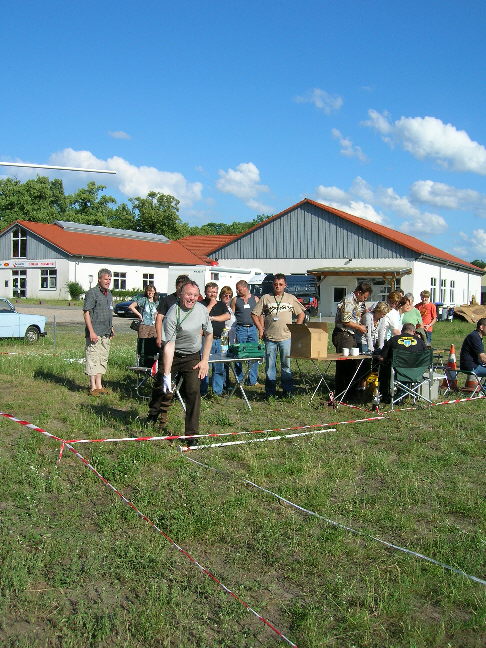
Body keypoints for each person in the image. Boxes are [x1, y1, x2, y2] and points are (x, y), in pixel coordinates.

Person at [148, 281, 213, 445]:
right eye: (188, 294)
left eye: (195, 295)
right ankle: (153, 413)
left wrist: (205, 360)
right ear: (181, 295)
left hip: (192, 356)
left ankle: (191, 435)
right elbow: (169, 345)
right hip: (173, 353)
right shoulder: (172, 314)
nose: (191, 298)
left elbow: (209, 334)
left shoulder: (202, 310)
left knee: (193, 392)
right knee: (161, 386)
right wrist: (167, 375)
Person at [251, 273, 305, 397]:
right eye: (275, 284)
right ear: (272, 285)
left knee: (286, 365)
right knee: (270, 366)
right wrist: (260, 328)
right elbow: (254, 314)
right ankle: (270, 392)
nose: (278, 287)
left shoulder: (290, 298)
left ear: (285, 285)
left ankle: (287, 391)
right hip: (270, 338)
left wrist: (296, 328)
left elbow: (301, 314)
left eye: (280, 284)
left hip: (286, 338)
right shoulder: (266, 298)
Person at [83, 268, 114, 396]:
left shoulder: (109, 294)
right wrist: (91, 332)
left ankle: (99, 385)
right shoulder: (92, 293)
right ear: (99, 279)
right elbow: (86, 313)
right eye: (106, 279)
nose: (108, 282)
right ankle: (93, 386)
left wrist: (111, 328)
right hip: (94, 332)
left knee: (102, 358)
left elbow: (109, 312)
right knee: (93, 358)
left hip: (105, 332)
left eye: (110, 279)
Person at [378, 323, 427, 402]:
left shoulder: (393, 339)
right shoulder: (420, 341)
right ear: (413, 331)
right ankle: (401, 394)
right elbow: (425, 357)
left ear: (402, 331)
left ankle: (385, 395)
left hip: (397, 372)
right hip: (416, 372)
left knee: (384, 367)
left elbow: (382, 357)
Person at [200, 282, 230, 396]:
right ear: (205, 292)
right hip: (206, 340)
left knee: (219, 366)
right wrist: (211, 305)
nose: (212, 294)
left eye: (215, 292)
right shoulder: (201, 304)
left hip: (220, 339)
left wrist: (212, 318)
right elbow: (202, 316)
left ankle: (218, 391)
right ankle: (203, 391)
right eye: (210, 292)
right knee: (204, 366)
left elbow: (227, 316)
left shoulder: (222, 304)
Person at [231, 280, 260, 385]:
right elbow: (231, 315)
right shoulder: (235, 300)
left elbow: (260, 314)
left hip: (252, 329)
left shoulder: (255, 299)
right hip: (240, 329)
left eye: (239, 288)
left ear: (245, 287)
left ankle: (253, 380)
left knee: (253, 354)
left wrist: (261, 328)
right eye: (236, 289)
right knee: (239, 354)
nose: (237, 291)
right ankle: (240, 380)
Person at [332, 282, 372, 352]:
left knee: (352, 361)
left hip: (350, 334)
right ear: (359, 293)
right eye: (364, 297)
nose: (364, 300)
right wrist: (360, 327)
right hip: (343, 334)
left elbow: (354, 316)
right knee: (345, 361)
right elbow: (345, 321)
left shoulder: (358, 302)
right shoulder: (349, 300)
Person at [128, 284, 159, 367]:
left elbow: (157, 313)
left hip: (153, 326)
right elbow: (131, 306)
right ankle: (142, 365)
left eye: (152, 291)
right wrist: (139, 315)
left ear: (154, 292)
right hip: (144, 325)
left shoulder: (156, 302)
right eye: (149, 291)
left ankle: (151, 365)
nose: (150, 293)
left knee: (152, 345)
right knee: (143, 346)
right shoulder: (143, 300)